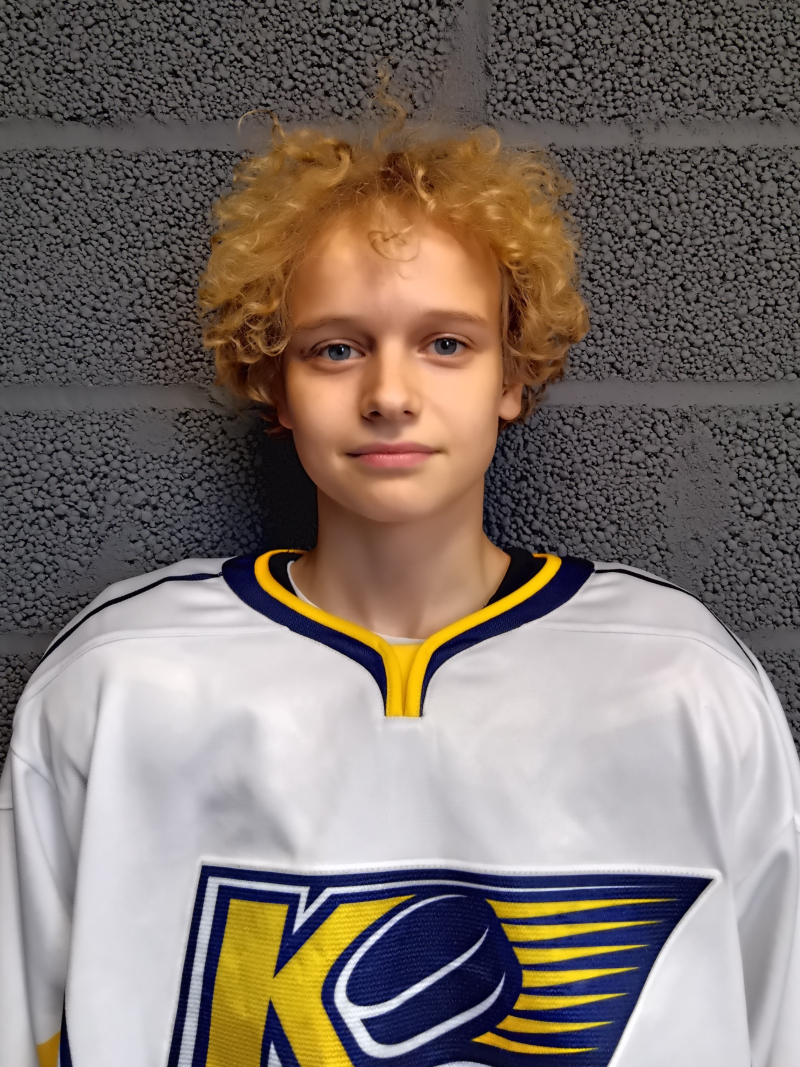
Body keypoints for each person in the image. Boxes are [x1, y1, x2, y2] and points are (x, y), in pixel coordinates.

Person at [1, 116, 798, 1067]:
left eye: (446, 344)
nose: (389, 393)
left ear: (513, 374)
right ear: (277, 384)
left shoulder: (684, 682)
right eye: (335, 349)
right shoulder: (120, 680)